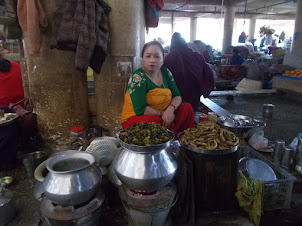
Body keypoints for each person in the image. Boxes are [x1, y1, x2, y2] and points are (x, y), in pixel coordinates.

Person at [120, 41, 194, 135]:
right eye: (148, 56)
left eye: (157, 56)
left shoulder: (166, 73)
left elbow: (177, 96)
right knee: (155, 122)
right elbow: (140, 110)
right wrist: (163, 114)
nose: (152, 60)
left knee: (186, 108)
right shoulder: (138, 77)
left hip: (165, 113)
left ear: (163, 59)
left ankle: (181, 137)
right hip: (138, 117)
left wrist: (170, 109)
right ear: (142, 59)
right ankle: (172, 134)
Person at [163, 32, 214, 112]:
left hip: (176, 98)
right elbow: (208, 73)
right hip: (194, 96)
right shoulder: (197, 56)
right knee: (190, 115)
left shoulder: (170, 57)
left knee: (179, 118)